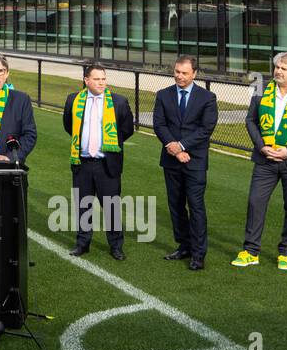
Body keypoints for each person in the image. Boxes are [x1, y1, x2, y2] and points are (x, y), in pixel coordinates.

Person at [232, 52, 287, 271]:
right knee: (255, 202)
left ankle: (286, 252)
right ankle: (251, 251)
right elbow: (251, 121)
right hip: (265, 160)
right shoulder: (262, 91)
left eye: (283, 68)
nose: (278, 71)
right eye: (277, 67)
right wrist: (261, 146)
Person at [62, 63, 136, 260]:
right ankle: (82, 243)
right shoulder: (73, 100)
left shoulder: (119, 101)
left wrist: (109, 145)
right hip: (82, 162)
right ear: (87, 80)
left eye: (103, 78)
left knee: (111, 206)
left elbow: (127, 129)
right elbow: (69, 126)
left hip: (107, 163)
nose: (101, 82)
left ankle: (116, 246)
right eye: (96, 79)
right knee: (83, 205)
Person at [152, 55, 218, 271]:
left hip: (195, 161)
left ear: (194, 74)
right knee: (176, 205)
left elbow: (205, 129)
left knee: (196, 206)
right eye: (177, 72)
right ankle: (184, 246)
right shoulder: (163, 95)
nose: (179, 76)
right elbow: (159, 124)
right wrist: (173, 146)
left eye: (184, 73)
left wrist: (181, 146)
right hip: (171, 160)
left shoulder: (208, 97)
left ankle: (199, 254)